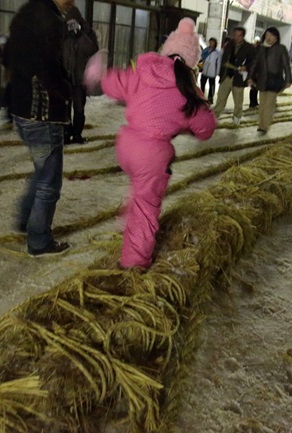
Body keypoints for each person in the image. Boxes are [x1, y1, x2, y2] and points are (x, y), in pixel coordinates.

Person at [83, 18, 217, 269]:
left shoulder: (143, 70)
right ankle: (134, 263)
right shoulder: (187, 89)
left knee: (141, 187)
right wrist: (199, 111)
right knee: (146, 208)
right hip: (152, 155)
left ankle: (132, 209)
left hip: (127, 145)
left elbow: (114, 84)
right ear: (192, 61)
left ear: (166, 50)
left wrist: (102, 75)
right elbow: (206, 129)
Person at [6, 0, 75, 257]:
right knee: (49, 182)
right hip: (42, 112)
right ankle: (39, 240)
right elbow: (50, 70)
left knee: (41, 170)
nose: (73, 2)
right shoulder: (50, 21)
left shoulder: (26, 12)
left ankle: (26, 219)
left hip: (21, 107)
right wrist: (67, 92)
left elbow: (7, 57)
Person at [63, 6, 99, 144]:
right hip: (65, 78)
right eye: (69, 22)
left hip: (80, 78)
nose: (71, 24)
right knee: (65, 109)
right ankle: (65, 134)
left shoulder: (87, 33)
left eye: (74, 21)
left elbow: (93, 50)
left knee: (79, 108)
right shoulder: (62, 33)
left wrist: (80, 34)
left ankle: (77, 134)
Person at [248, 27, 292, 134]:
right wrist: (250, 77)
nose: (269, 38)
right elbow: (254, 64)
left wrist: (288, 80)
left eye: (271, 35)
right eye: (267, 35)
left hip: (274, 79)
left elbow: (286, 65)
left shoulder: (281, 48)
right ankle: (261, 124)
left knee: (269, 104)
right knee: (262, 103)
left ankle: (264, 126)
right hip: (262, 80)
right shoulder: (260, 48)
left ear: (276, 37)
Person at [212, 26, 255, 125]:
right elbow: (223, 59)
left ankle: (237, 117)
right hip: (226, 76)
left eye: (239, 36)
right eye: (235, 35)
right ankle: (214, 117)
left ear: (243, 36)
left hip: (239, 78)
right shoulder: (228, 45)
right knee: (221, 98)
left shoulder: (249, 47)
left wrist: (246, 67)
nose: (236, 38)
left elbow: (254, 62)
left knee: (238, 100)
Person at [200, 37, 221, 104]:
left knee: (211, 85)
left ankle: (210, 97)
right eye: (210, 42)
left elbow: (218, 63)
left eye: (213, 42)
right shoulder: (206, 50)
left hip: (212, 71)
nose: (211, 43)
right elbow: (201, 58)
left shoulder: (217, 53)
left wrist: (217, 72)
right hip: (205, 70)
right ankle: (201, 96)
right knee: (202, 83)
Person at [248, 36, 261, 108]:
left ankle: (254, 102)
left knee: (255, 88)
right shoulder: (254, 52)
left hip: (256, 73)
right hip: (254, 73)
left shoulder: (256, 52)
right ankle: (252, 102)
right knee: (253, 88)